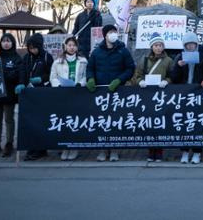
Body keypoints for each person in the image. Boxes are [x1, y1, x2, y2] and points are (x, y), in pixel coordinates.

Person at [86, 24, 135, 162]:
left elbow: (130, 68)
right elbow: (90, 68)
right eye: (110, 32)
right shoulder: (97, 52)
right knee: (101, 121)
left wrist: (119, 80)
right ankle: (102, 150)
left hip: (117, 91)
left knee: (115, 121)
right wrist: (90, 79)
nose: (113, 34)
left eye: (115, 31)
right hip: (100, 92)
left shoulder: (122, 50)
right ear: (105, 35)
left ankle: (114, 150)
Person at [130, 32, 173, 162]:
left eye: (160, 45)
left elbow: (173, 75)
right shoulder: (144, 60)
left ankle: (159, 151)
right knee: (149, 123)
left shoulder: (169, 60)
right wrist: (140, 82)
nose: (158, 47)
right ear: (152, 46)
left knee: (160, 123)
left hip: (162, 96)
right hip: (147, 96)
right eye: (156, 45)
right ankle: (150, 151)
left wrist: (167, 81)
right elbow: (137, 76)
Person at [171, 32, 203, 164]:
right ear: (184, 45)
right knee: (184, 124)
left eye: (192, 44)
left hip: (198, 94)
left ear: (196, 44)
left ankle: (197, 153)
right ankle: (185, 151)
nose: (190, 46)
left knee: (197, 124)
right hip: (184, 95)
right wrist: (178, 66)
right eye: (188, 44)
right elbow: (173, 78)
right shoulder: (179, 57)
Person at [16, 33, 54, 161]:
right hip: (29, 94)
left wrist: (41, 79)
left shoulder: (47, 57)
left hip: (42, 93)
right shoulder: (27, 58)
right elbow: (22, 71)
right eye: (30, 48)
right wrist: (21, 83)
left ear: (39, 46)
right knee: (30, 121)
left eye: (34, 48)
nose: (32, 50)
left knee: (41, 121)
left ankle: (41, 149)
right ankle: (31, 147)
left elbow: (52, 74)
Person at [50, 36, 88, 161]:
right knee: (65, 121)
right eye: (69, 45)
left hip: (77, 95)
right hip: (63, 95)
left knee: (75, 121)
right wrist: (59, 85)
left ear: (77, 47)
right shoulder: (57, 61)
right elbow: (53, 77)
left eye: (74, 45)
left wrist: (80, 83)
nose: (72, 47)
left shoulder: (83, 61)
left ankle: (74, 148)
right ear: (65, 46)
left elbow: (85, 76)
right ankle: (65, 147)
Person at [0, 33, 23, 158]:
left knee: (9, 119)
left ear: (13, 43)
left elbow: (19, 74)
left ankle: (9, 143)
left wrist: (6, 75)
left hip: (9, 94)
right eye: (3, 41)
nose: (6, 43)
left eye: (9, 41)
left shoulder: (16, 58)